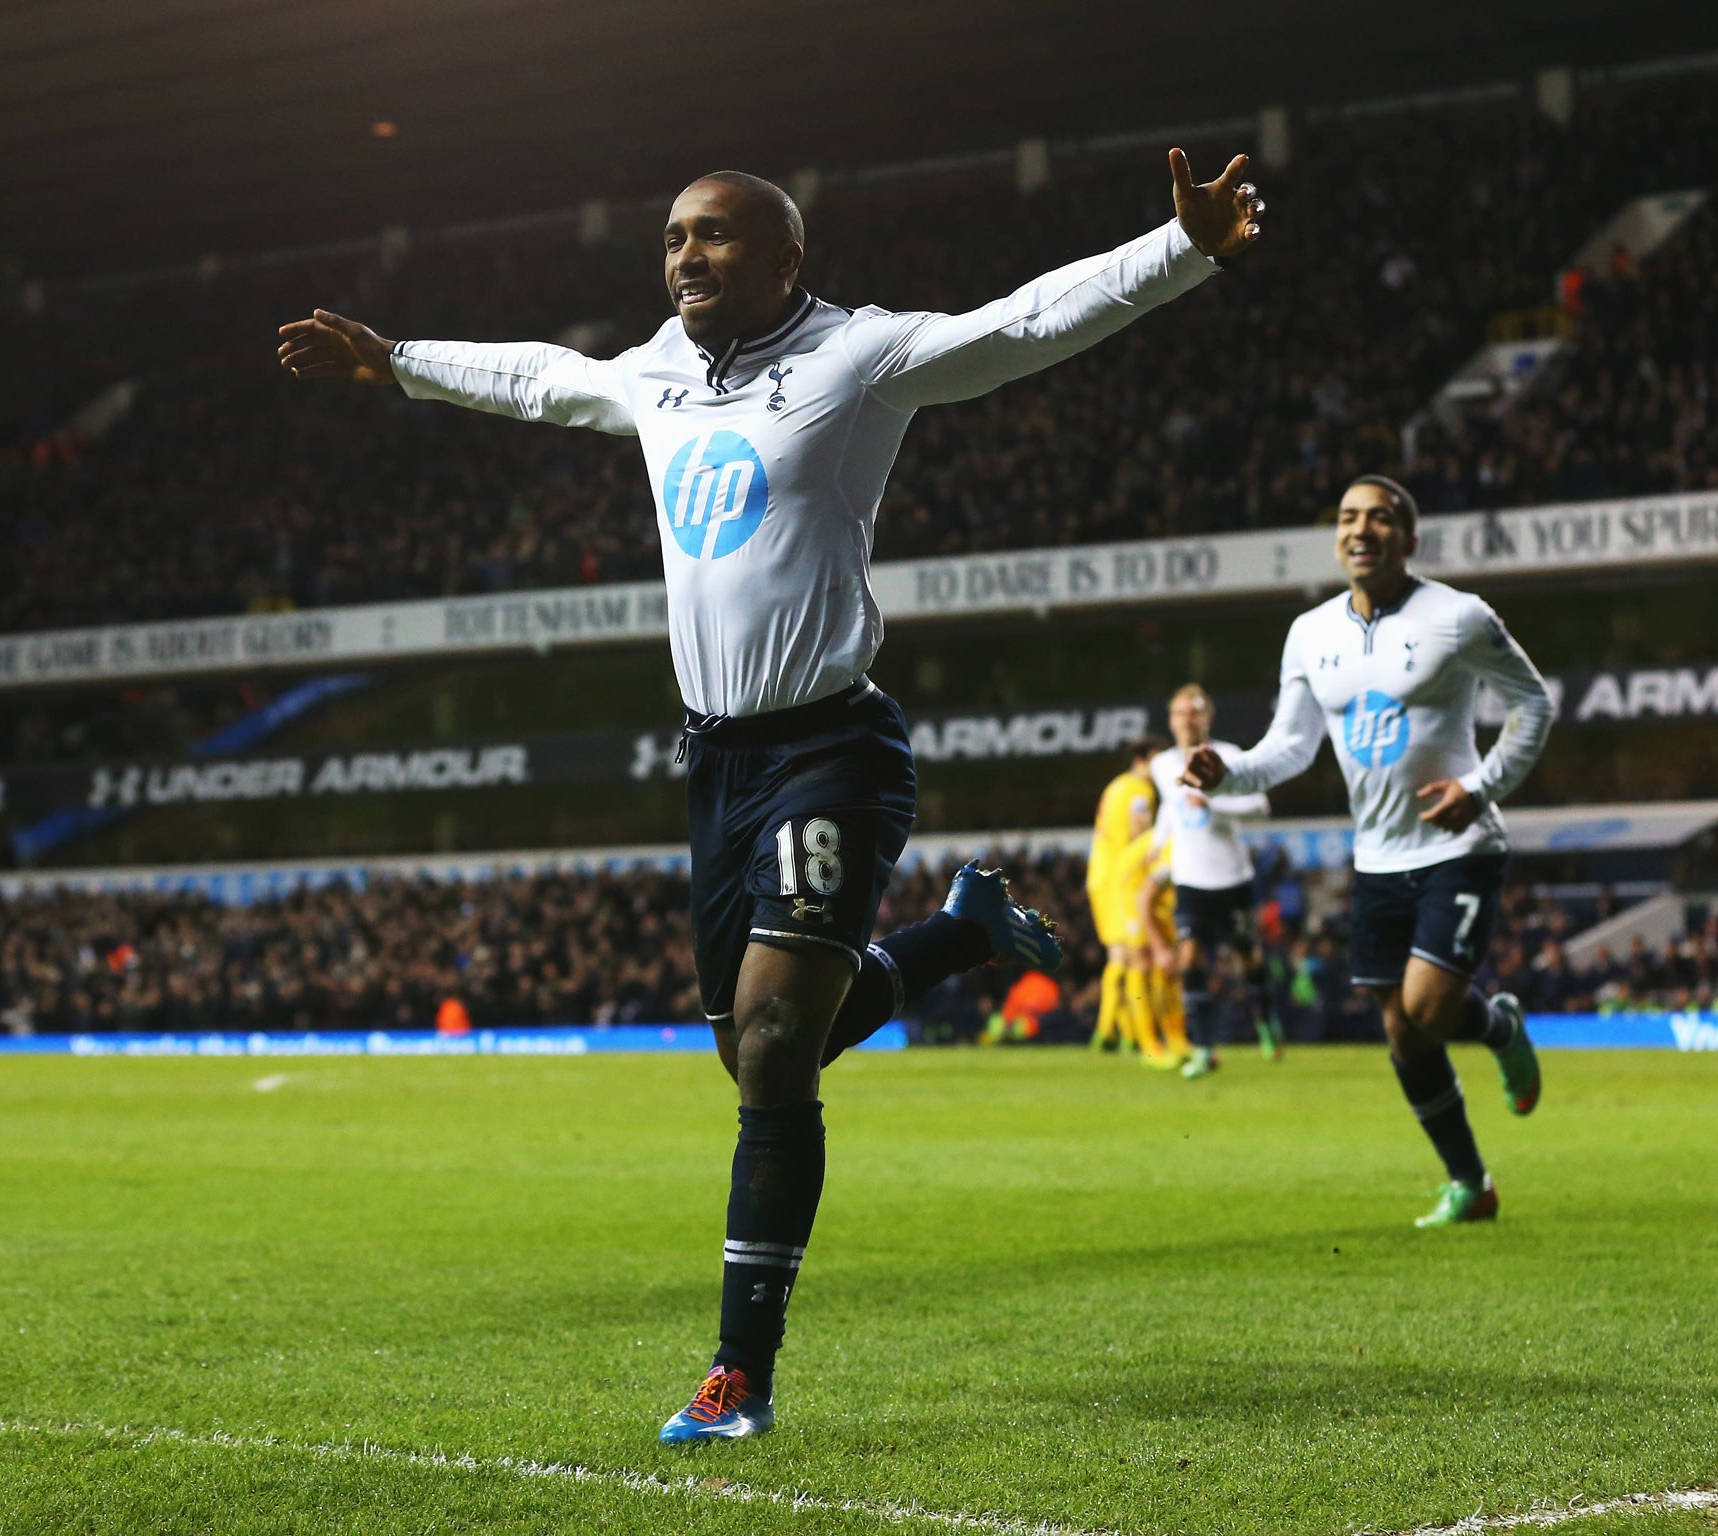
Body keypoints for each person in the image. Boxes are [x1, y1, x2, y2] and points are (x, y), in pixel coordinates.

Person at [279, 152, 1263, 1435]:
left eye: (720, 237)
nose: (687, 256)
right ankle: (960, 933)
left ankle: (738, 1373)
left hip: (831, 746)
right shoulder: (656, 374)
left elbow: (1018, 326)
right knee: (753, 1051)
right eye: (675, 236)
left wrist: (1178, 250)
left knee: (774, 1042)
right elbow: (539, 375)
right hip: (715, 762)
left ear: (787, 258)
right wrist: (396, 360)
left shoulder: (858, 357)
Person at [1180, 475, 1555, 1227]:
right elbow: (1287, 748)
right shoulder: (1310, 633)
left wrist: (1478, 790)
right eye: (1349, 518)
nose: (1361, 529)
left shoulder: (1459, 617)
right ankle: (1470, 1184)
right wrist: (1227, 771)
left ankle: (1500, 1028)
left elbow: (1533, 703)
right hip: (1377, 858)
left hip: (1460, 844)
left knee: (1427, 1006)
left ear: (1408, 539)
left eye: (1380, 518)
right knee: (1401, 1031)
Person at [1145, 684, 1280, 1079]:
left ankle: (1267, 1021)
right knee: (1189, 958)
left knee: (1246, 956)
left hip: (1231, 876)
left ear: (1208, 717)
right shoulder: (1162, 765)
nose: (1188, 719)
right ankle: (1203, 1049)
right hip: (1189, 877)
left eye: (1196, 711)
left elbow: (1260, 807)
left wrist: (1214, 801)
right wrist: (1157, 842)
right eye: (1181, 712)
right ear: (1171, 721)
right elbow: (1171, 809)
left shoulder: (1231, 757)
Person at [1087, 737, 1176, 1062]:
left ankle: (1121, 1034)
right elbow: (1142, 832)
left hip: (1103, 875)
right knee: (1131, 958)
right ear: (1148, 757)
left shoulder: (1116, 786)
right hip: (1121, 879)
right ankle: (1109, 1031)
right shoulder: (1141, 790)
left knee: (1120, 956)